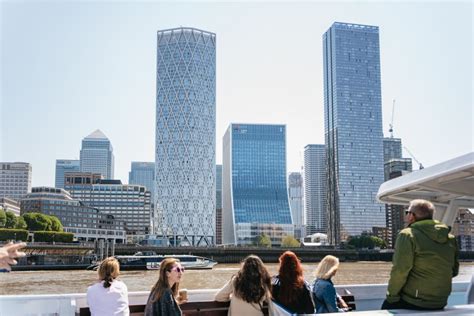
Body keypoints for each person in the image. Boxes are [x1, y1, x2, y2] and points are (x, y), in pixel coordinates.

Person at [382, 199, 459, 310]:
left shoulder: (407, 235)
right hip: (441, 301)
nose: (406, 215)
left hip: (415, 301)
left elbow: (400, 271)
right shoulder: (450, 238)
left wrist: (391, 297)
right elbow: (454, 271)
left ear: (412, 216)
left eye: (407, 212)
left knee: (386, 308)